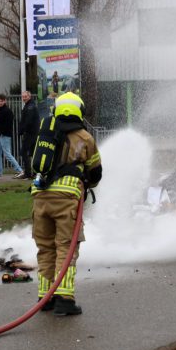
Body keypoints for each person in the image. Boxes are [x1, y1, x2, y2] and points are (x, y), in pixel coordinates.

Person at [31, 92, 102, 316]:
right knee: (66, 247)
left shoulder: (47, 132)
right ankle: (64, 299)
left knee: (45, 247)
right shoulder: (85, 138)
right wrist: (87, 181)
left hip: (40, 197)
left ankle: (45, 297)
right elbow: (96, 172)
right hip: (67, 198)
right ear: (79, 110)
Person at [0, 93, 25, 179]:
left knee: (7, 154)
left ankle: (20, 170)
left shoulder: (7, 111)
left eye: (1, 101)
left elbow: (8, 124)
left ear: (5, 101)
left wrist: (1, 132)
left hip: (5, 135)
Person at [19, 90, 40, 179]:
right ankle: (34, 172)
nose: (24, 98)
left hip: (30, 133)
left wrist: (22, 130)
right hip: (33, 132)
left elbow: (28, 121)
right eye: (23, 97)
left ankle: (28, 173)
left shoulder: (30, 107)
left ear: (29, 97)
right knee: (33, 153)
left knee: (24, 152)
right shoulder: (29, 105)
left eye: (25, 96)